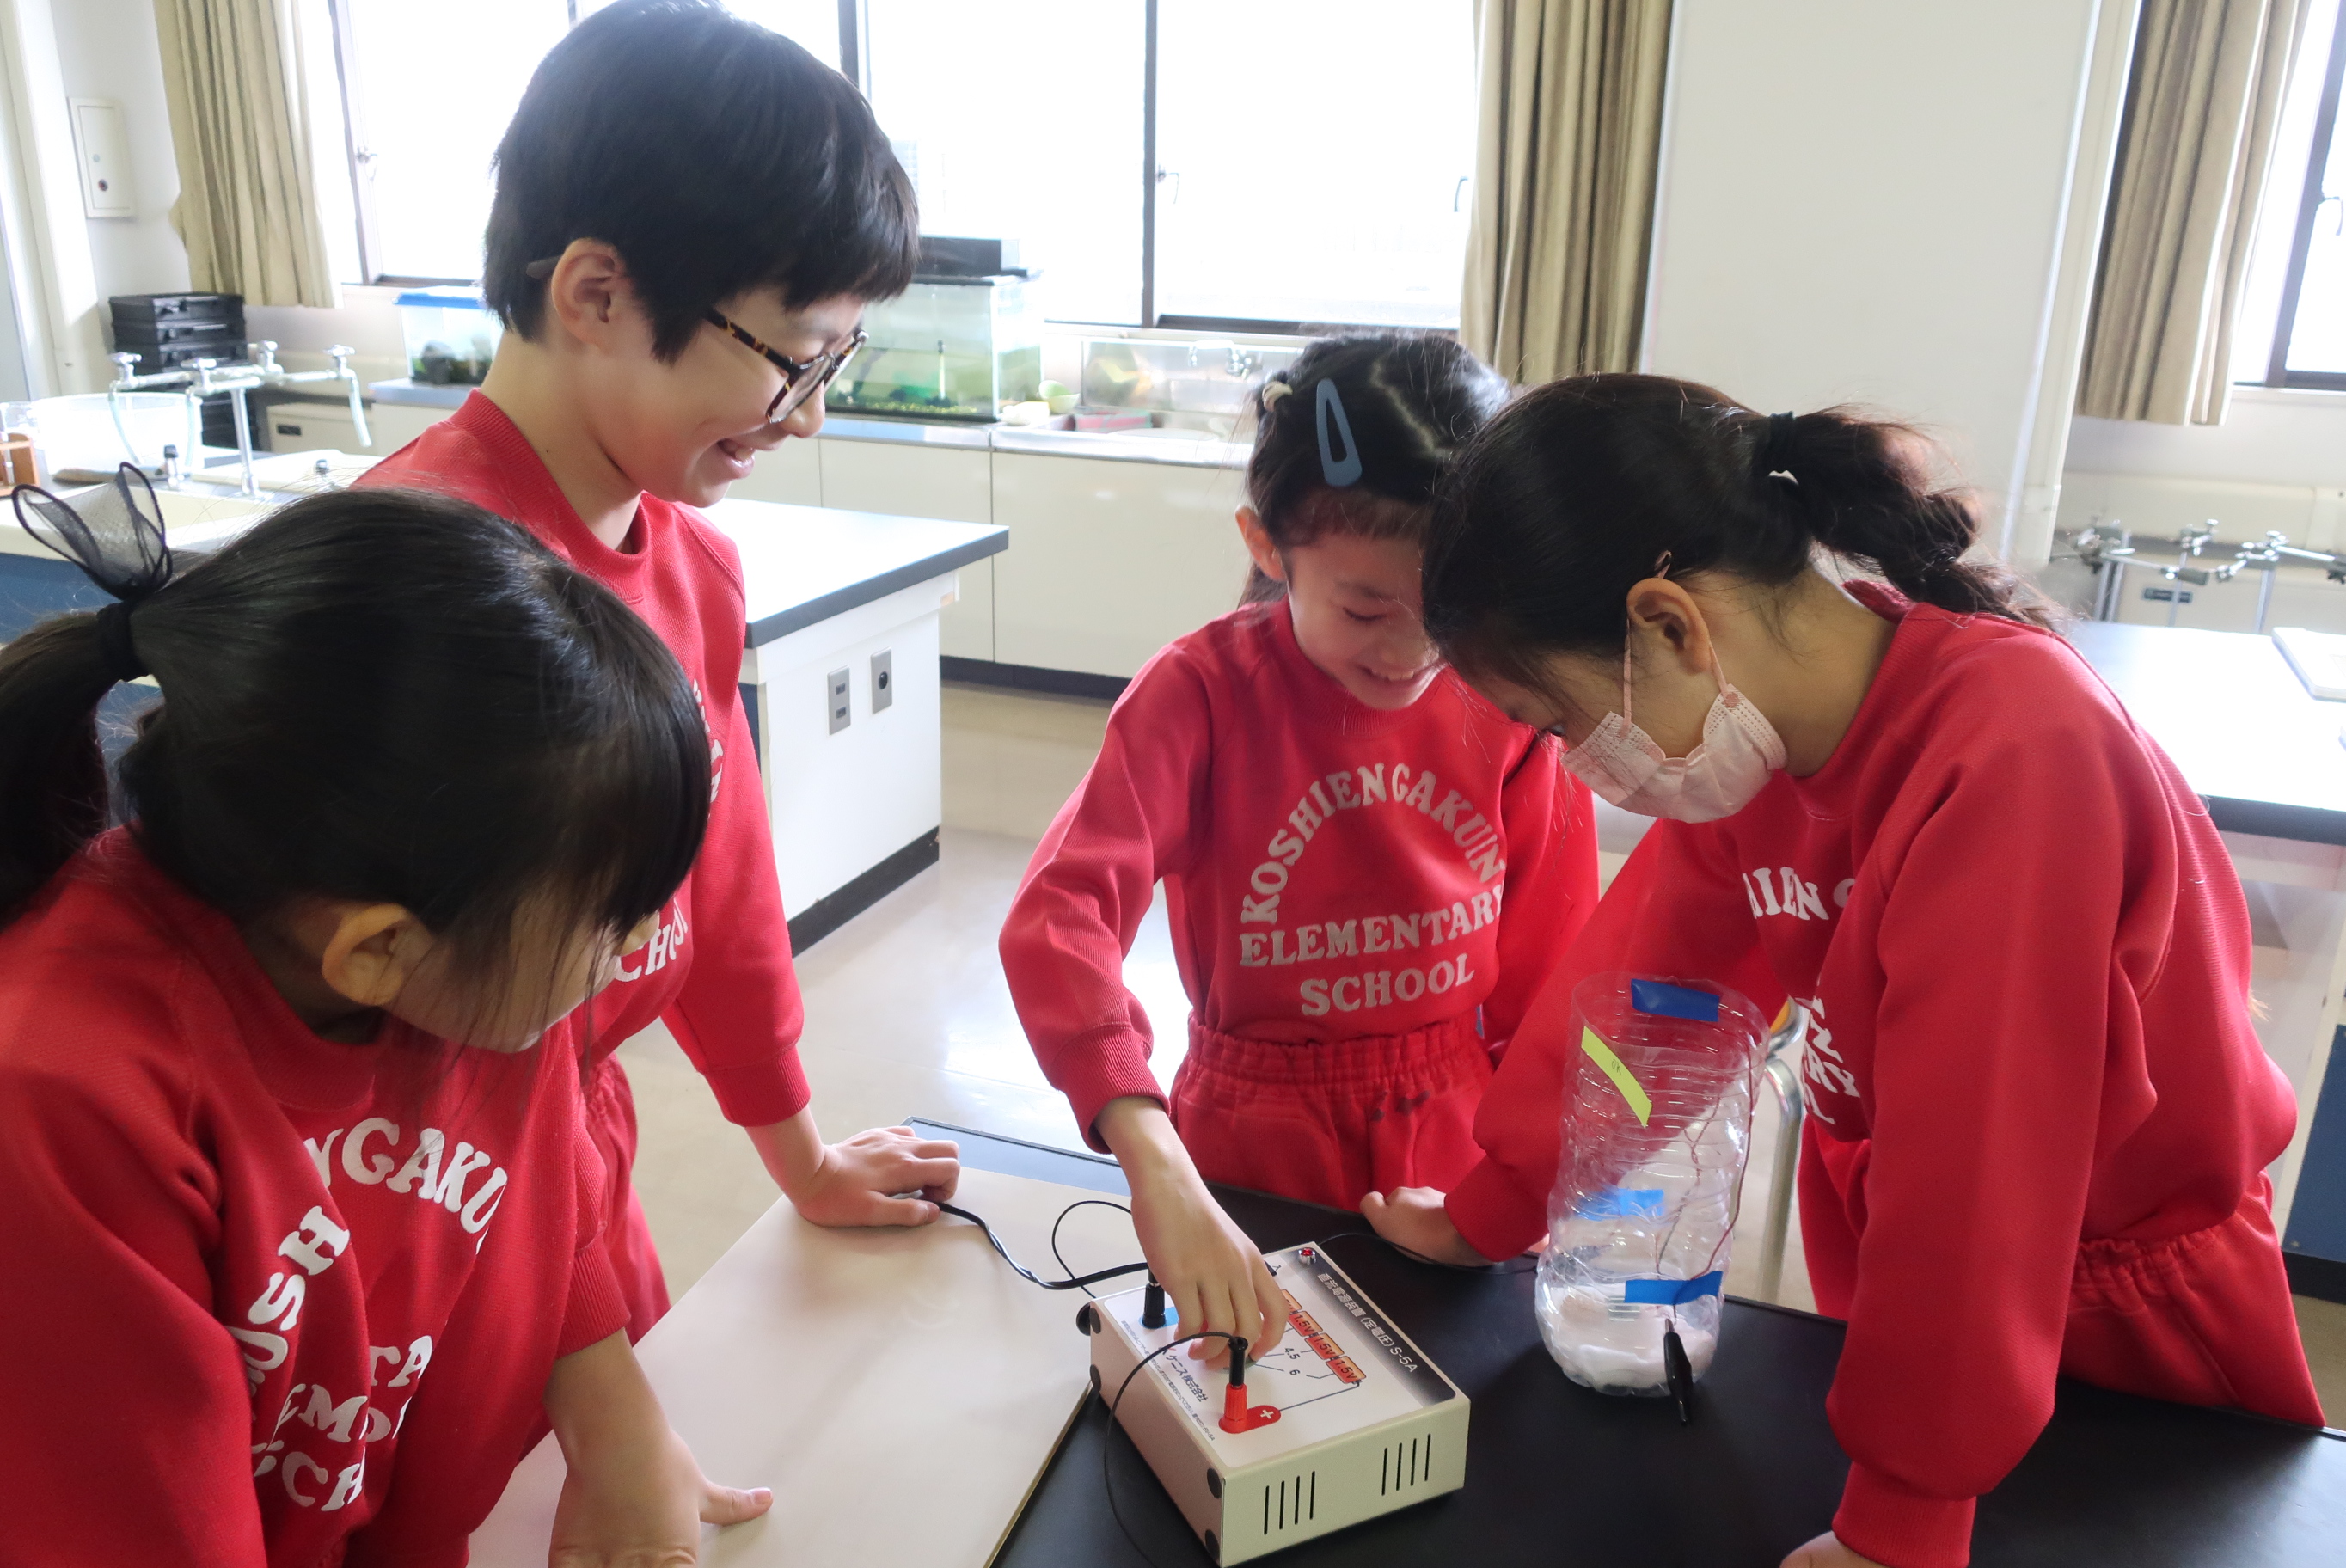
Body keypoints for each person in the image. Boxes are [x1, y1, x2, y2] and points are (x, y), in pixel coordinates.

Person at [1364, 373, 2325, 1568]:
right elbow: (1634, 1006)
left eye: (1559, 721)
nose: (1571, 763)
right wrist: (1495, 1210)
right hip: (1929, 1314)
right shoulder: (1762, 747)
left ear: (1669, 626)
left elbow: (1980, 1169)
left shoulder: (2017, 754)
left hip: (2115, 1331)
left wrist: (1909, 1506)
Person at [0, 474, 770, 1564]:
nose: (642, 940)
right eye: (610, 917)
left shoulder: (465, 955)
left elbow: (542, 1207)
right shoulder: (64, 1097)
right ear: (374, 952)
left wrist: (619, 1428)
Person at [358, 0, 957, 1339]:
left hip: (576, 1169)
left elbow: (723, 889)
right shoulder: (419, 578)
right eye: (794, 359)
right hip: (409, 1218)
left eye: (838, 361)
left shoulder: (693, 570)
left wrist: (800, 1153)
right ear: (599, 295)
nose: (810, 414)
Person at [999, 334, 1600, 1361]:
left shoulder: (1504, 693)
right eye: (1365, 607)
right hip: (1251, 1139)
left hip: (1457, 1128)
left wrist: (1527, 1174)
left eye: (1445, 613)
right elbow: (1060, 921)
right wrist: (1150, 1154)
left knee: (1459, 1401)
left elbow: (1558, 974)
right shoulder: (1199, 695)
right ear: (1268, 547)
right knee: (1254, 1386)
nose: (1409, 652)